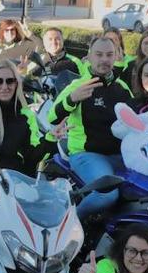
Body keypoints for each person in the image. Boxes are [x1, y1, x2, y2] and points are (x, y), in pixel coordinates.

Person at [47, 36, 133, 218]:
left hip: (121, 155)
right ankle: (69, 224)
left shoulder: (122, 87)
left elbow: (135, 120)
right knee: (108, 194)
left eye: (109, 55)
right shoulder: (78, 85)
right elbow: (52, 117)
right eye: (99, 54)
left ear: (116, 56)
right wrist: (72, 99)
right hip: (87, 155)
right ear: (89, 57)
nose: (104, 59)